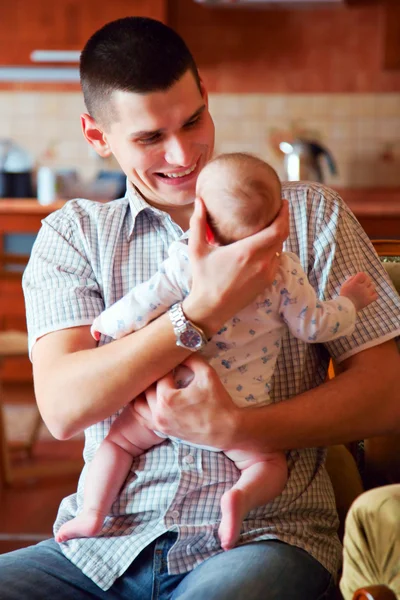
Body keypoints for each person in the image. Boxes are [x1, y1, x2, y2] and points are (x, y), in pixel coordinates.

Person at [1, 15, 397, 600]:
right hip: (102, 547)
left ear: (206, 94)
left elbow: (388, 392)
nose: (183, 154)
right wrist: (202, 310)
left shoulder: (311, 215)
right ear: (95, 135)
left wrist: (239, 427)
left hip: (262, 541)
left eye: (192, 121)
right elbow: (63, 408)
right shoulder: (74, 235)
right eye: (150, 138)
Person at [55, 152, 378, 552]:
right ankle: (238, 499)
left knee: (118, 445)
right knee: (267, 465)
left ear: (202, 224)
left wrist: (109, 323)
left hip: (170, 391)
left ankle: (91, 513)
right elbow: (313, 326)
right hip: (243, 403)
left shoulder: (185, 261)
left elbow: (145, 302)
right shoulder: (285, 272)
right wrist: (348, 303)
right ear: (280, 218)